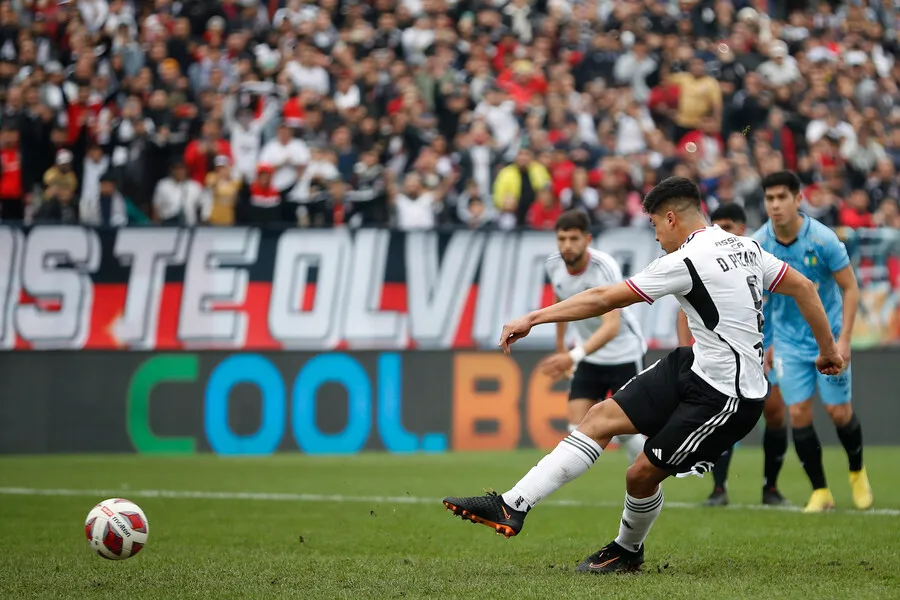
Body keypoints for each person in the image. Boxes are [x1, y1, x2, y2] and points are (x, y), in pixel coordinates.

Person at [442, 176, 844, 574]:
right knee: (599, 418)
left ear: (671, 218)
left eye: (654, 225)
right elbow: (806, 288)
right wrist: (828, 351)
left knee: (640, 475)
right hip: (695, 364)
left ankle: (627, 550)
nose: (655, 237)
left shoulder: (686, 260)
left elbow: (603, 298)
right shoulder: (746, 246)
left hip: (728, 396)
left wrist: (534, 317)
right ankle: (512, 504)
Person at [754, 171, 873, 512]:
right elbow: (762, 300)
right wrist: (768, 342)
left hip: (829, 340)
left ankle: (856, 471)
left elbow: (850, 288)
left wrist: (845, 340)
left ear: (798, 199)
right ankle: (820, 491)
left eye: (781, 197)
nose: (775, 205)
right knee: (799, 414)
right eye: (769, 199)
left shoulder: (823, 240)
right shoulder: (759, 244)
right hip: (789, 346)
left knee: (839, 413)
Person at [676, 203, 789, 507]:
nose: (720, 232)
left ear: (742, 229)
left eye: (728, 226)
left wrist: (779, 342)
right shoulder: (709, 260)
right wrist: (687, 347)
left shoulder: (757, 256)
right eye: (717, 225)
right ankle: (719, 488)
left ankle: (771, 488)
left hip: (768, 346)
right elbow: (684, 306)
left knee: (776, 413)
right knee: (724, 417)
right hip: (728, 352)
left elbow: (782, 305)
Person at [544, 209, 647, 464]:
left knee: (626, 429)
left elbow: (611, 327)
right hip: (589, 356)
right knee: (576, 428)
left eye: (573, 239)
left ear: (587, 240)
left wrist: (573, 356)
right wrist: (560, 347)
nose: (567, 245)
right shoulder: (553, 264)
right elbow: (561, 300)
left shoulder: (604, 267)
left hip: (623, 353)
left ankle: (649, 476)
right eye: (562, 239)